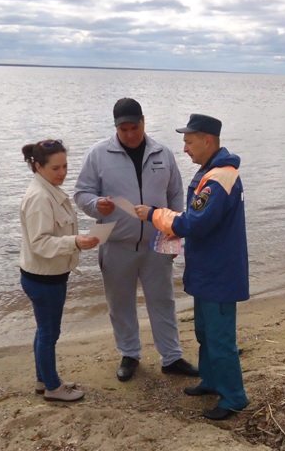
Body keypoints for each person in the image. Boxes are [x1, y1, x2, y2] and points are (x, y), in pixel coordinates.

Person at [74, 98, 199, 382]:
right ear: (115, 127)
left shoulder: (162, 153)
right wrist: (97, 205)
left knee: (163, 301)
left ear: (144, 121)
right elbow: (81, 193)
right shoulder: (97, 154)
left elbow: (176, 194)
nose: (130, 134)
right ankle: (130, 354)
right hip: (117, 245)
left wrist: (176, 230)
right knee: (120, 304)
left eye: (135, 127)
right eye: (124, 129)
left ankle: (172, 357)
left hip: (157, 243)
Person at [134, 114, 249, 420]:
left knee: (221, 338)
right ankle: (212, 381)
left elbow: (195, 223)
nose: (184, 148)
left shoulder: (220, 177)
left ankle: (233, 397)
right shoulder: (210, 172)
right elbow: (197, 222)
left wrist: (155, 215)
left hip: (219, 274)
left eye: (188, 141)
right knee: (205, 332)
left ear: (207, 140)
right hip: (207, 271)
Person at [19, 139, 99, 402]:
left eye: (65, 166)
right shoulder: (40, 197)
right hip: (43, 278)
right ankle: (52, 386)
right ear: (38, 167)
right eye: (56, 168)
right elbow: (39, 243)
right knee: (49, 333)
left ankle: (44, 380)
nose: (63, 172)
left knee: (45, 330)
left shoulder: (49, 190)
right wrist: (75, 242)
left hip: (46, 274)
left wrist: (75, 241)